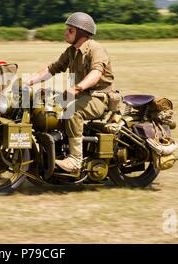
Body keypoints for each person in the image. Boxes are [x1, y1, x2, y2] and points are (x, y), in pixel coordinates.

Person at [25, 12, 115, 173]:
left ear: (80, 33)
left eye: (70, 30)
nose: (65, 32)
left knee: (73, 112)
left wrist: (77, 88)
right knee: (45, 108)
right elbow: (52, 69)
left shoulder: (96, 49)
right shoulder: (71, 51)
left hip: (99, 98)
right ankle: (51, 152)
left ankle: (75, 161)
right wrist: (28, 82)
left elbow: (96, 73)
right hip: (80, 95)